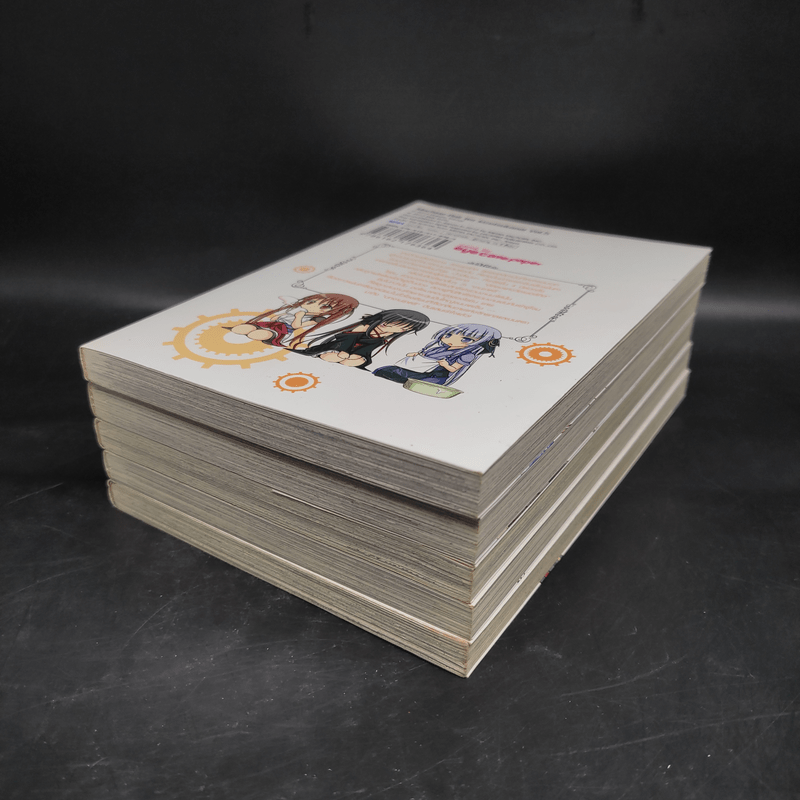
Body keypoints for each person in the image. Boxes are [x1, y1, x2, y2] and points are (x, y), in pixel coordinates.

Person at [373, 323, 502, 386]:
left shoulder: (467, 355)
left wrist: (446, 364)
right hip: (418, 368)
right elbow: (426, 354)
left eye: (466, 339)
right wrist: (416, 354)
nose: (452, 339)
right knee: (386, 370)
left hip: (435, 375)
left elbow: (454, 369)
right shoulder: (443, 347)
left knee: (409, 379)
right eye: (448, 335)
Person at [301, 309, 430, 368]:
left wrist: (360, 357)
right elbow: (345, 339)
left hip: (358, 353)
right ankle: (332, 355)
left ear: (404, 330)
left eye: (396, 326)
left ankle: (352, 358)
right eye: (386, 322)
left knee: (358, 359)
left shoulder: (384, 338)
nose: (386, 326)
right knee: (339, 354)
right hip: (339, 346)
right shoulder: (364, 327)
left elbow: (368, 349)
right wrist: (343, 351)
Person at [228, 293, 359, 350]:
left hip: (284, 329)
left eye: (325, 306)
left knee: (261, 334)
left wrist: (298, 317)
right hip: (271, 324)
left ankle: (264, 334)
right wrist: (276, 317)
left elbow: (297, 326)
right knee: (246, 328)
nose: (313, 305)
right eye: (312, 301)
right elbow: (279, 317)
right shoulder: (298, 310)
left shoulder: (317, 319)